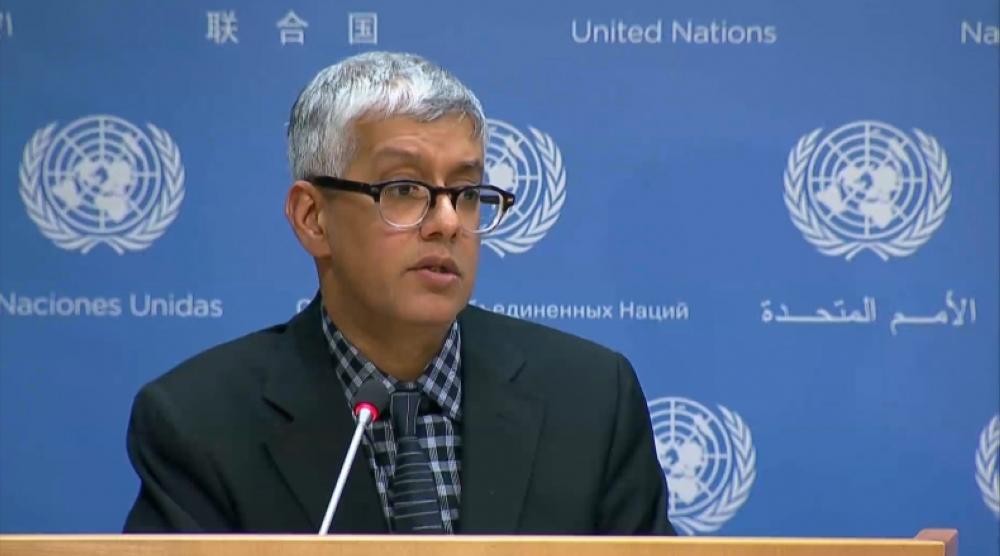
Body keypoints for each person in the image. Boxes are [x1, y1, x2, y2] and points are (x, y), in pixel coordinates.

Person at [123, 51, 674, 535]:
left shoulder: (590, 400)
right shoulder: (201, 422)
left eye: (466, 192)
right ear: (312, 218)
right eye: (405, 189)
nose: (447, 222)